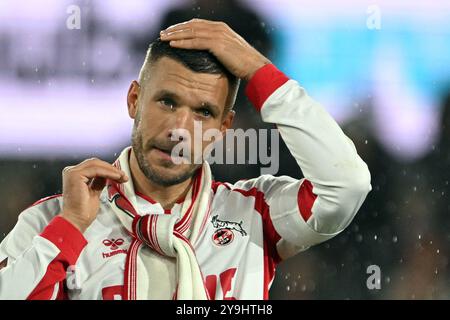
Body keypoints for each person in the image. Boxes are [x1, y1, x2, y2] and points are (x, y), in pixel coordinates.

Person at [0, 19, 371, 300]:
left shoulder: (256, 214)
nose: (180, 128)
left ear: (224, 128)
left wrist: (257, 68)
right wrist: (69, 228)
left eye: (203, 112)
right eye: (167, 102)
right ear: (134, 100)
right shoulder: (51, 221)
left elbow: (346, 186)